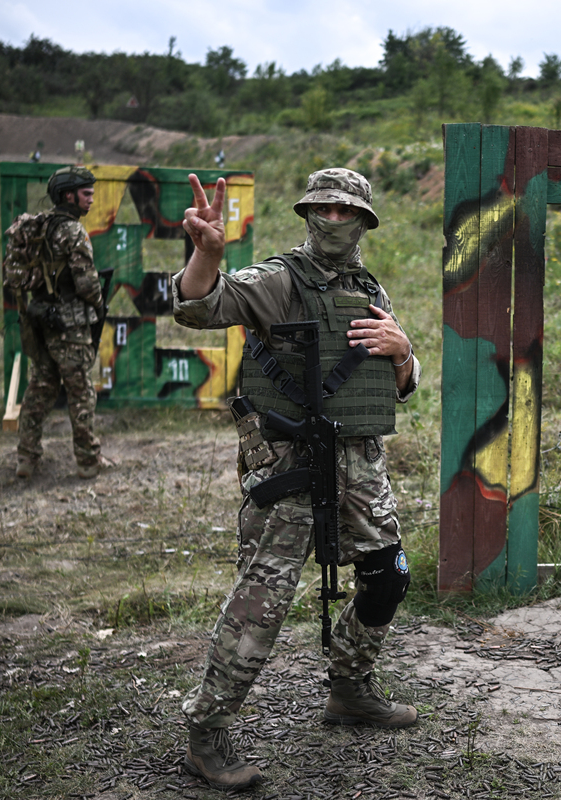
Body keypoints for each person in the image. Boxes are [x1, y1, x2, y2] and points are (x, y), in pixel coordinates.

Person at [172, 168, 420, 789]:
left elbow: (401, 386)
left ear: (364, 221)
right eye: (324, 210)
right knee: (265, 599)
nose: (334, 220)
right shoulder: (277, 280)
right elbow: (200, 306)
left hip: (359, 464)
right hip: (289, 462)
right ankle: (206, 734)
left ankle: (350, 688)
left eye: (346, 212)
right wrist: (205, 256)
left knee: (387, 578)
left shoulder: (370, 288)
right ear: (308, 214)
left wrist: (403, 350)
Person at [15, 166, 107, 480]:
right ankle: (87, 462)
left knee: (40, 389)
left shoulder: (41, 227)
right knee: (80, 393)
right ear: (68, 195)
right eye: (86, 194)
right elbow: (86, 284)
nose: (91, 200)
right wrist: (99, 303)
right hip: (70, 326)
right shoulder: (73, 232)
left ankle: (26, 458)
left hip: (41, 321)